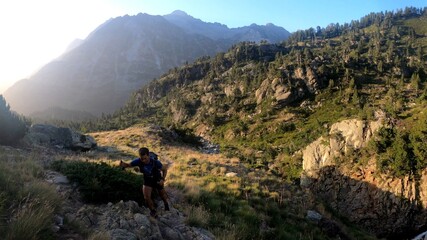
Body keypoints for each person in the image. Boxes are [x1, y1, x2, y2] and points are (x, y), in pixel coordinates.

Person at [120, 147, 169, 217]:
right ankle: (153, 211)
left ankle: (166, 204)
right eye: (141, 158)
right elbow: (129, 165)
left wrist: (163, 179)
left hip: (157, 179)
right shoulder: (138, 161)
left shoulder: (155, 162)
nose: (143, 160)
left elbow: (165, 169)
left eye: (145, 158)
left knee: (162, 195)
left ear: (148, 155)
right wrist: (124, 165)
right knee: (146, 197)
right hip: (147, 179)